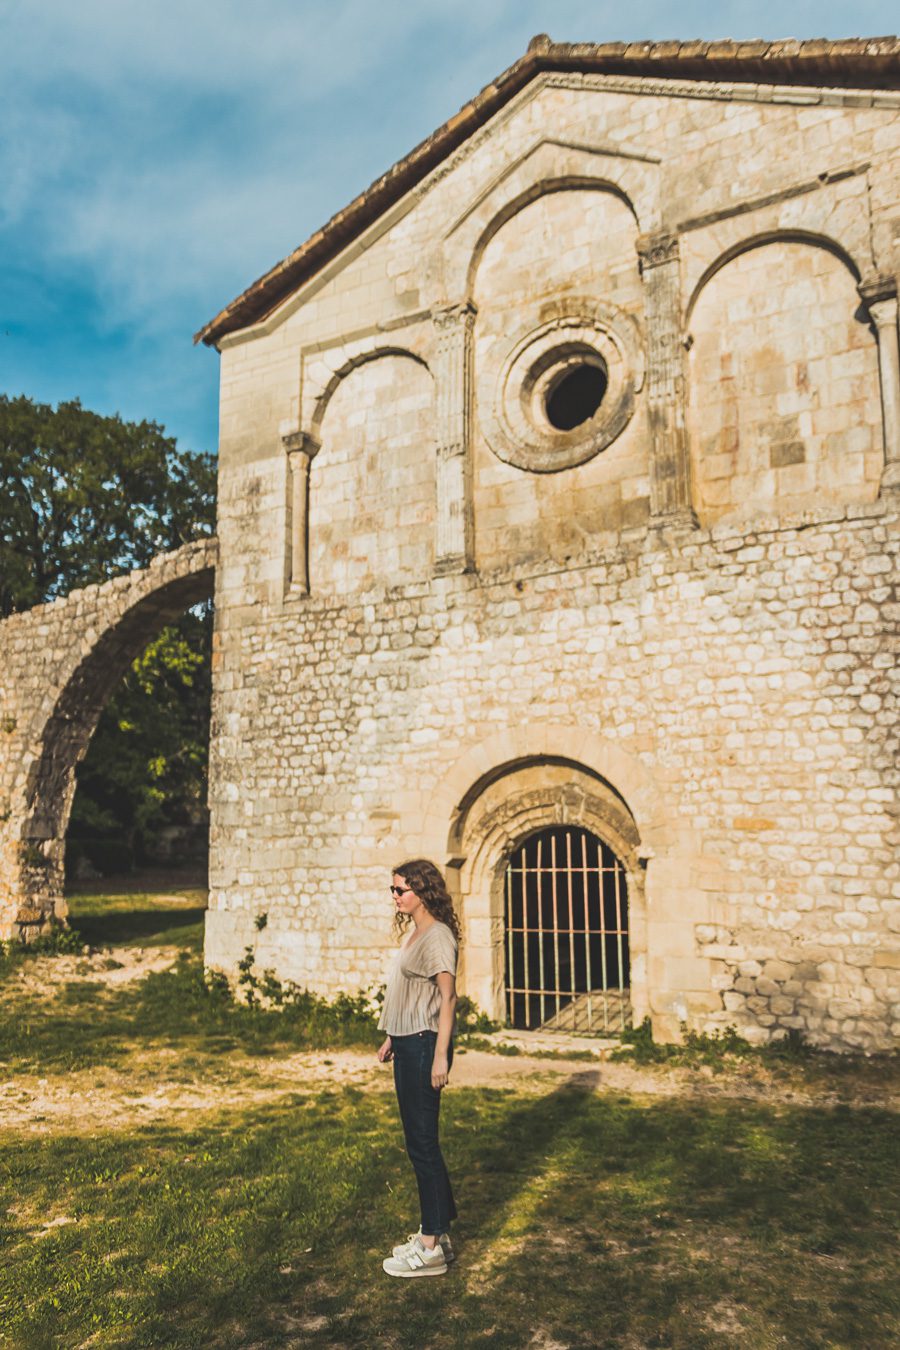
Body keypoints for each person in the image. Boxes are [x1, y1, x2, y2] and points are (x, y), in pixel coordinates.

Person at [377, 858, 459, 1277]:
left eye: (400, 890)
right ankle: (438, 1232)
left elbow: (447, 999)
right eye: (392, 889)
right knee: (420, 1142)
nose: (395, 896)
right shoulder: (417, 932)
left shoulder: (438, 936)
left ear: (423, 890)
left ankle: (429, 1248)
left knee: (422, 1145)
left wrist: (441, 1055)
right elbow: (411, 991)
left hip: (426, 1046)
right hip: (409, 1041)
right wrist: (393, 1033)